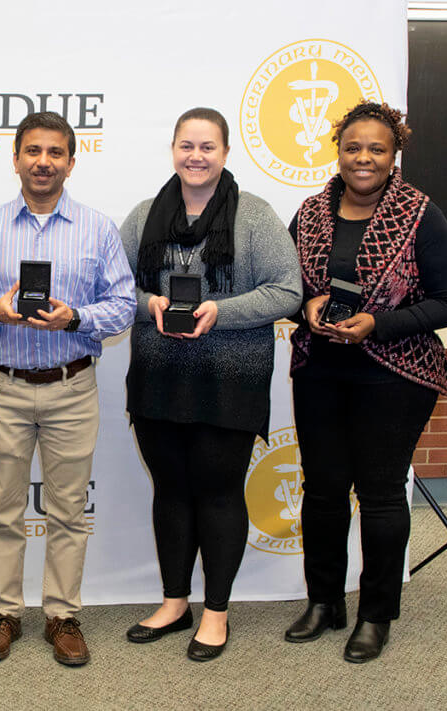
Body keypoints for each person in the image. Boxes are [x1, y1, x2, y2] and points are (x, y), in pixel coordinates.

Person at [284, 101, 447, 663]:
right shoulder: (311, 213)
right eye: (352, 147)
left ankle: (376, 612)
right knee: (322, 491)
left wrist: (377, 324)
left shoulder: (420, 214)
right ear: (337, 151)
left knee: (382, 494)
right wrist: (305, 305)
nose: (363, 158)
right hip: (320, 371)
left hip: (395, 375)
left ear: (394, 156)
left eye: (376, 149)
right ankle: (324, 602)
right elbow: (283, 286)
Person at [120, 108, 301, 661]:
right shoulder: (145, 214)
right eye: (186, 145)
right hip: (158, 380)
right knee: (171, 491)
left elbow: (287, 291)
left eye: (207, 146)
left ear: (225, 153)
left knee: (220, 493)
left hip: (230, 381)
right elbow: (111, 287)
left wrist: (217, 311)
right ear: (172, 149)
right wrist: (148, 303)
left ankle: (216, 612)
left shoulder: (255, 216)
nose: (195, 156)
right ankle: (175, 604)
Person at [0, 111, 135, 666]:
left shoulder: (98, 228)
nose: (43, 162)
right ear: (15, 158)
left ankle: (62, 615)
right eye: (32, 151)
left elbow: (125, 304)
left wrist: (75, 318)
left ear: (71, 162)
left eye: (55, 152)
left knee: (67, 511)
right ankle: (3, 613)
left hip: (71, 386)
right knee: (4, 508)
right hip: (5, 386)